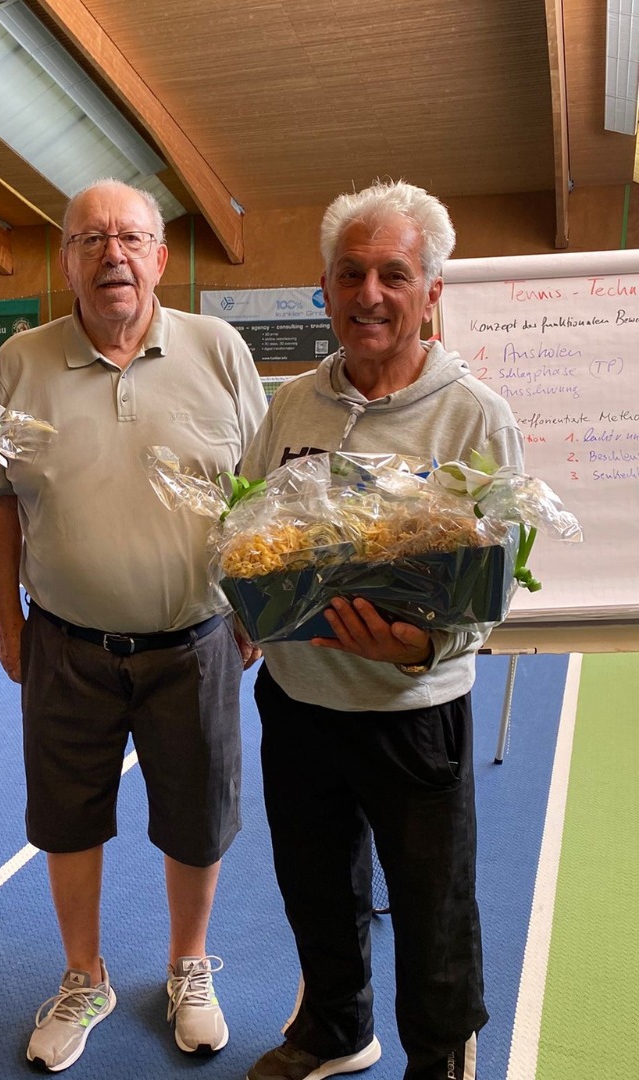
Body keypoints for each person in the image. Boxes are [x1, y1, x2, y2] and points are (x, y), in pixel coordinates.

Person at [0, 177, 267, 1072]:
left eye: (131, 237)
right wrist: (5, 618)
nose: (113, 254)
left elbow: (266, 495)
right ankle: (84, 975)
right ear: (66, 257)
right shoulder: (19, 362)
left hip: (199, 641)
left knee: (197, 819)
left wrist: (258, 603)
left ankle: (188, 965)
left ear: (160, 255)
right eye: (92, 238)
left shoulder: (220, 351)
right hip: (65, 643)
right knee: (68, 821)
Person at [241, 180, 524, 1080]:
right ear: (324, 285)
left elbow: (494, 583)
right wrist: (248, 603)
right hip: (299, 698)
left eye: (393, 275)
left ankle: (439, 1056)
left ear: (431, 290)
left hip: (412, 708)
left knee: (434, 904)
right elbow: (246, 525)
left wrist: (425, 646)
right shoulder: (291, 405)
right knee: (316, 888)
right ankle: (334, 1030)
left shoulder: (474, 415)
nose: (369, 294)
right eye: (350, 273)